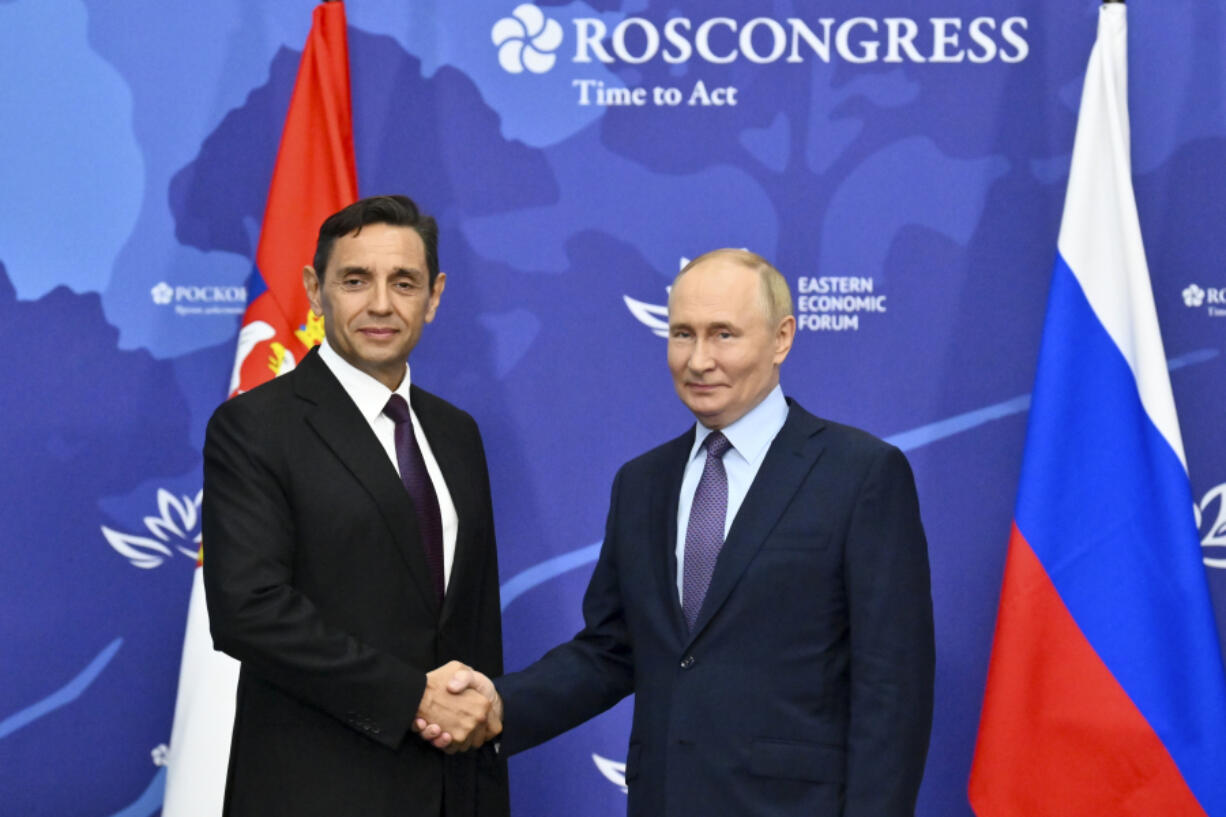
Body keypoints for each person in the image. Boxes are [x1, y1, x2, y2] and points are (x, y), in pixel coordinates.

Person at [426, 249, 935, 816]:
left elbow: (891, 690)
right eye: (682, 334)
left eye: (723, 335)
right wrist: (500, 703)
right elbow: (611, 650)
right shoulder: (642, 482)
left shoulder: (861, 473)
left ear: (782, 338)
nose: (698, 360)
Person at [203, 195, 508, 817]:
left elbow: (471, 622)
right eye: (354, 280)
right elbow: (248, 611)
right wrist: (414, 699)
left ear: (435, 295)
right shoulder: (255, 426)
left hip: (455, 790)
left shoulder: (457, 433)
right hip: (316, 789)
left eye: (403, 283)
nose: (380, 305)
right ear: (316, 291)